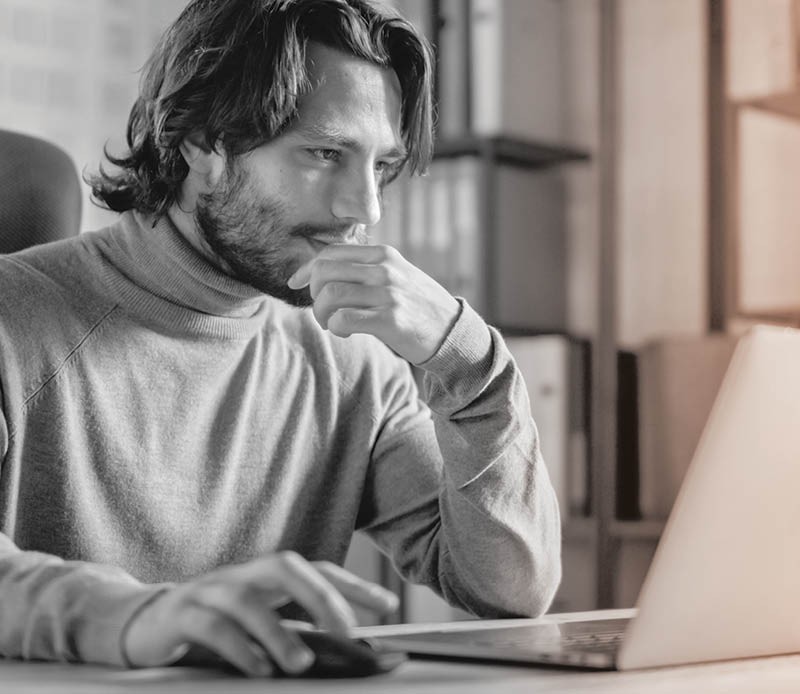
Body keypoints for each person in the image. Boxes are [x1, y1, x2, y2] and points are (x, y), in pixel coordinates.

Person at [0, 0, 561, 678]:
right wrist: (139, 617)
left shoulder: (353, 363)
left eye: (382, 165)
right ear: (202, 145)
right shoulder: (14, 318)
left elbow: (511, 590)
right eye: (325, 154)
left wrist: (465, 357)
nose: (365, 209)